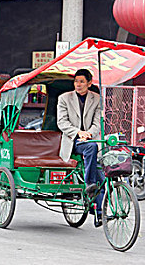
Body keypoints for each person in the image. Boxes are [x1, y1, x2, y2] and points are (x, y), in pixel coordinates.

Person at [57, 68, 104, 227]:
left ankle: (99, 213)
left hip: (90, 139)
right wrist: (79, 132)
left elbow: (98, 122)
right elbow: (62, 122)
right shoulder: (64, 98)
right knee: (91, 150)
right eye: (76, 81)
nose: (78, 84)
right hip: (72, 141)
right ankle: (88, 183)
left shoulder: (97, 99)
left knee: (102, 179)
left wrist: (89, 133)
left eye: (82, 81)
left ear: (89, 83)